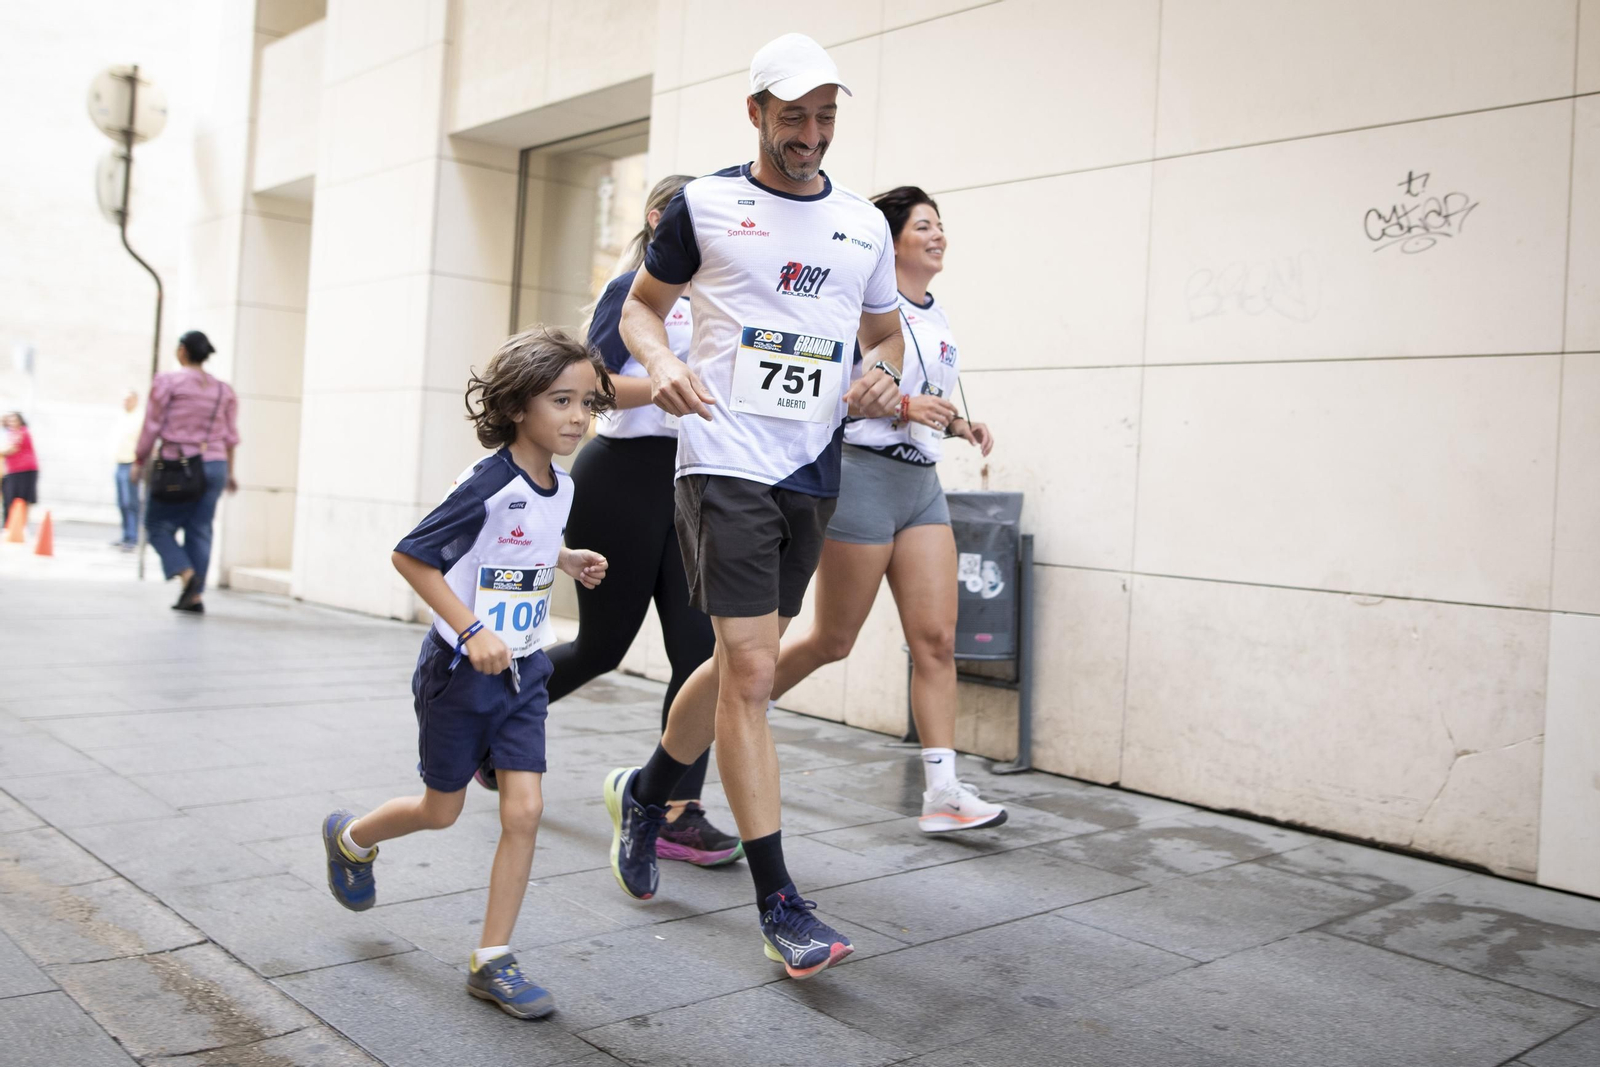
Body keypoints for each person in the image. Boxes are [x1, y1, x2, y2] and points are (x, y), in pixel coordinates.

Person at [602, 32, 904, 980]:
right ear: (756, 115)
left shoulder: (862, 224)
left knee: (753, 662)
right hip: (723, 460)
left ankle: (649, 793)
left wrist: (879, 380)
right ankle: (780, 900)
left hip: (812, 466)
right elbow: (639, 308)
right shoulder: (707, 206)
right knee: (748, 668)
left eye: (824, 117)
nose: (810, 134)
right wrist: (662, 364)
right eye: (793, 117)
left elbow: (888, 335)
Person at [320, 327, 614, 1020]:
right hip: (459, 671)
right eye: (561, 400)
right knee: (440, 810)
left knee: (527, 810)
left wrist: (564, 560)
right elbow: (412, 556)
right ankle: (352, 836)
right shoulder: (485, 482)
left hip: (525, 671)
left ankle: (492, 959)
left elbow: (525, 539)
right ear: (517, 406)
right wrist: (474, 629)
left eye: (588, 403)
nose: (577, 416)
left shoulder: (560, 485)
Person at [481, 175, 743, 868]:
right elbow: (591, 384)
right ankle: (489, 731)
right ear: (663, 218)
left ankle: (674, 811)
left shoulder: (725, 296)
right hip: (624, 477)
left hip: (699, 486)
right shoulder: (631, 291)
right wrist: (671, 378)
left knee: (700, 656)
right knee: (602, 647)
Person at [770, 186, 1006, 833]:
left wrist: (958, 422)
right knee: (833, 639)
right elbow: (837, 390)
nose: (938, 236)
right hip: (861, 474)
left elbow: (925, 396)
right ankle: (735, 708)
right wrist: (903, 407)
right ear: (890, 238)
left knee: (936, 640)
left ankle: (944, 791)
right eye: (924, 225)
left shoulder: (936, 315)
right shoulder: (861, 307)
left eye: (940, 226)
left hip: (920, 482)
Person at [134, 331, 240, 612]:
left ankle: (187, 574)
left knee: (156, 525)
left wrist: (138, 459)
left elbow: (152, 425)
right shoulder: (223, 390)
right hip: (216, 465)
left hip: (178, 465)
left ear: (182, 351)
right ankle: (194, 596)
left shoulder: (168, 383)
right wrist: (230, 472)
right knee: (200, 529)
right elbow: (230, 436)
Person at [111, 391, 142, 549]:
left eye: (128, 399)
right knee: (121, 502)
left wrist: (138, 464)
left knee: (131, 502)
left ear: (135, 400)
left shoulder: (139, 419)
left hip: (132, 463)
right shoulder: (122, 417)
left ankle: (133, 537)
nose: (125, 402)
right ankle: (125, 535)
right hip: (119, 462)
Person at [1, 412, 39, 521]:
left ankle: (20, 525)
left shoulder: (21, 431)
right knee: (10, 498)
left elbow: (12, 449)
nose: (12, 423)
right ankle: (12, 525)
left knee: (22, 498)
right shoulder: (10, 432)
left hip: (24, 470)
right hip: (13, 470)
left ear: (20, 421)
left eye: (14, 420)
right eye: (10, 421)